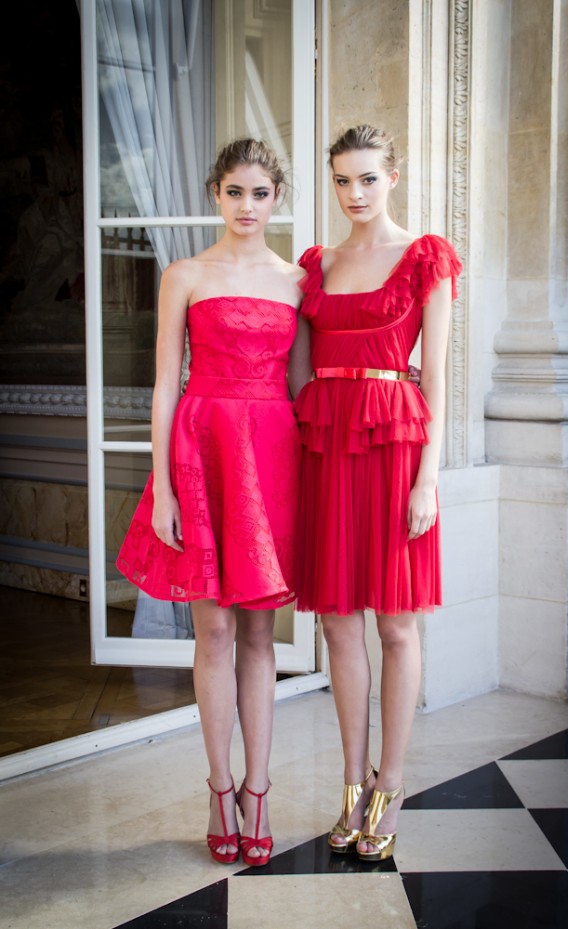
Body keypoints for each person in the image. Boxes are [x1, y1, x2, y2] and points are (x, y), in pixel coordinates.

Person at [117, 139, 305, 867]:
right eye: (234, 191)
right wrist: (163, 484)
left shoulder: (296, 281)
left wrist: (386, 378)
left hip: (272, 457)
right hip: (202, 454)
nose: (247, 205)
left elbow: (302, 386)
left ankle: (259, 791)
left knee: (258, 635)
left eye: (260, 192)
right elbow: (166, 384)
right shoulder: (185, 275)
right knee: (215, 632)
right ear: (215, 195)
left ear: (277, 197)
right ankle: (219, 789)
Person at [291, 125, 462, 861]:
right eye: (341, 180)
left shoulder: (425, 256)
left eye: (367, 178)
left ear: (392, 176)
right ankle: (352, 783)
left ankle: (391, 783)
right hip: (327, 449)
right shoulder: (316, 266)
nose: (354, 193)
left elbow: (440, 377)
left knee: (396, 627)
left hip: (396, 449)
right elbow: (298, 375)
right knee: (338, 627)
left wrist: (429, 477)